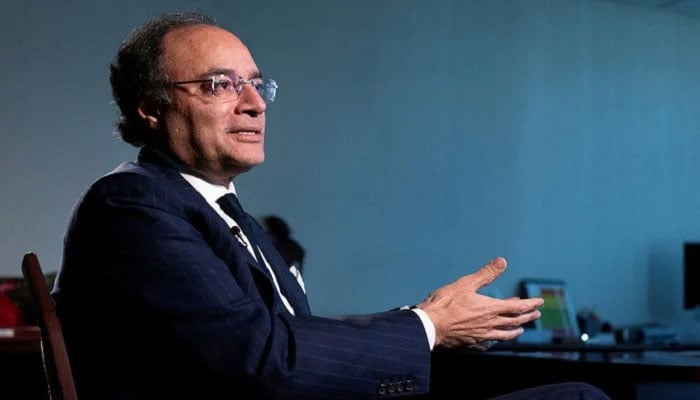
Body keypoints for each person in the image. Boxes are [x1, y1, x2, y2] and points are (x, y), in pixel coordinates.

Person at [52, 11, 611, 400]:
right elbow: (263, 362)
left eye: (257, 84)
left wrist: (428, 321)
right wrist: (427, 327)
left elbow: (293, 341)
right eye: (221, 84)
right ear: (152, 108)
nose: (253, 104)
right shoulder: (132, 204)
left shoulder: (228, 213)